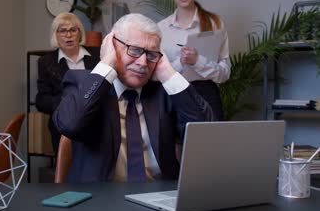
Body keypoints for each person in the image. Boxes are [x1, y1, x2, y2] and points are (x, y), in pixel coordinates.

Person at [52, 13, 214, 183]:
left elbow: (206, 135)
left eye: (151, 54)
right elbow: (70, 125)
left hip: (159, 198)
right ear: (113, 48)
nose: (143, 62)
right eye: (135, 50)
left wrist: (168, 73)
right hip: (100, 201)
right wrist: (107, 63)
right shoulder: (82, 82)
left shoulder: (164, 92)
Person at [158, 0, 230, 121]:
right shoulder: (161, 29)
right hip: (172, 94)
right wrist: (181, 63)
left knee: (210, 143)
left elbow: (224, 73)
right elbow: (156, 74)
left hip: (207, 94)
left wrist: (198, 61)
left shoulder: (215, 23)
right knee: (173, 144)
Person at [36, 12, 100, 154]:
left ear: (79, 33)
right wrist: (69, 102)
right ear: (56, 35)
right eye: (63, 31)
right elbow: (41, 101)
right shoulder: (46, 62)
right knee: (67, 174)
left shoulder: (98, 55)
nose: (68, 35)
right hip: (63, 128)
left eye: (73, 30)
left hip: (97, 124)